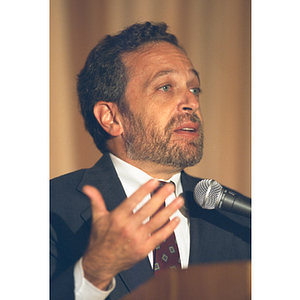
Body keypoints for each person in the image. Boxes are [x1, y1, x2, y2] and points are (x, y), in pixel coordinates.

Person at [50, 21, 250, 300]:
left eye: (194, 89)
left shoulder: (234, 216)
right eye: (166, 87)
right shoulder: (50, 208)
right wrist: (94, 272)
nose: (190, 102)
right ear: (111, 117)